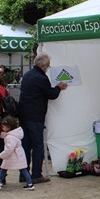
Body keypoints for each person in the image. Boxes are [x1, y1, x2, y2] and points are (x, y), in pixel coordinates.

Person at [19, 53, 68, 184]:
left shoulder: (27, 75)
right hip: (36, 116)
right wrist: (58, 87)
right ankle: (36, 174)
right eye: (48, 66)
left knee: (25, 145)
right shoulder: (41, 77)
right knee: (38, 146)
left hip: (24, 115)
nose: (48, 68)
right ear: (43, 65)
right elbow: (51, 94)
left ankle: (23, 174)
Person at [0, 115, 35, 190]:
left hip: (12, 156)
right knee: (23, 169)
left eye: (3, 127)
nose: (2, 128)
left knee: (3, 169)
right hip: (19, 155)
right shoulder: (15, 134)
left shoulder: (9, 137)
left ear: (9, 127)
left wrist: (2, 155)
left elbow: (9, 149)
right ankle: (30, 183)